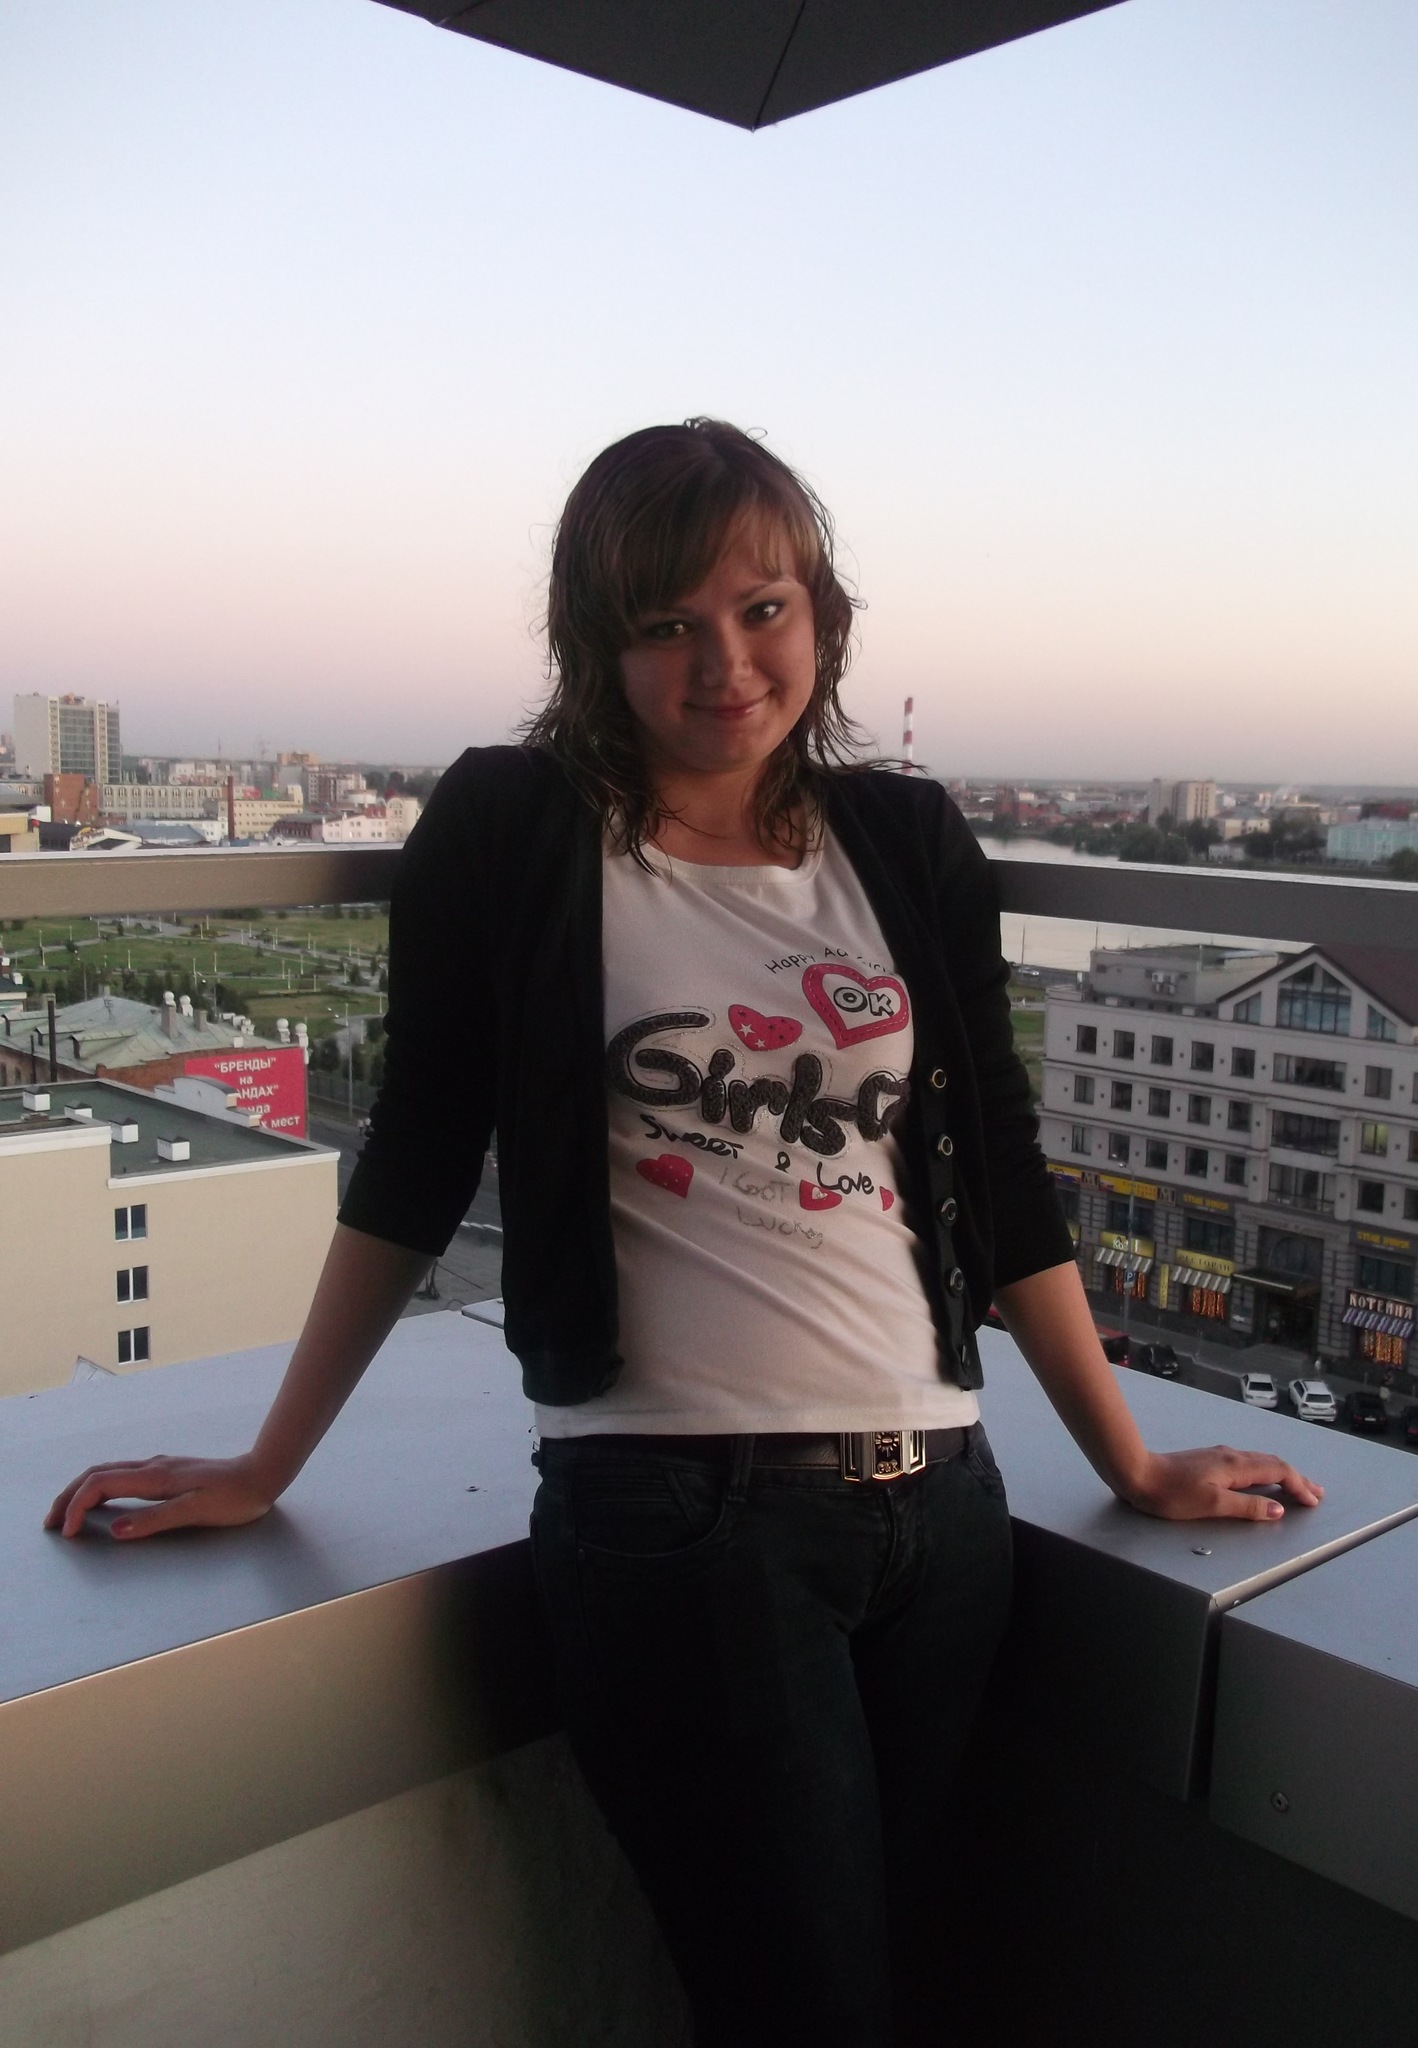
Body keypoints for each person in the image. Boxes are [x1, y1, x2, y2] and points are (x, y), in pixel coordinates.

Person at [47, 421, 1321, 2048]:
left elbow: (998, 1172)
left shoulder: (903, 841)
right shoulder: (514, 827)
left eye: (762, 608)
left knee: (896, 1973)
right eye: (666, 623)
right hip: (681, 1524)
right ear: (597, 645)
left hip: (947, 1511)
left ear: (822, 616)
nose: (726, 663)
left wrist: (1129, 1459)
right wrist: (266, 1461)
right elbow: (419, 1155)